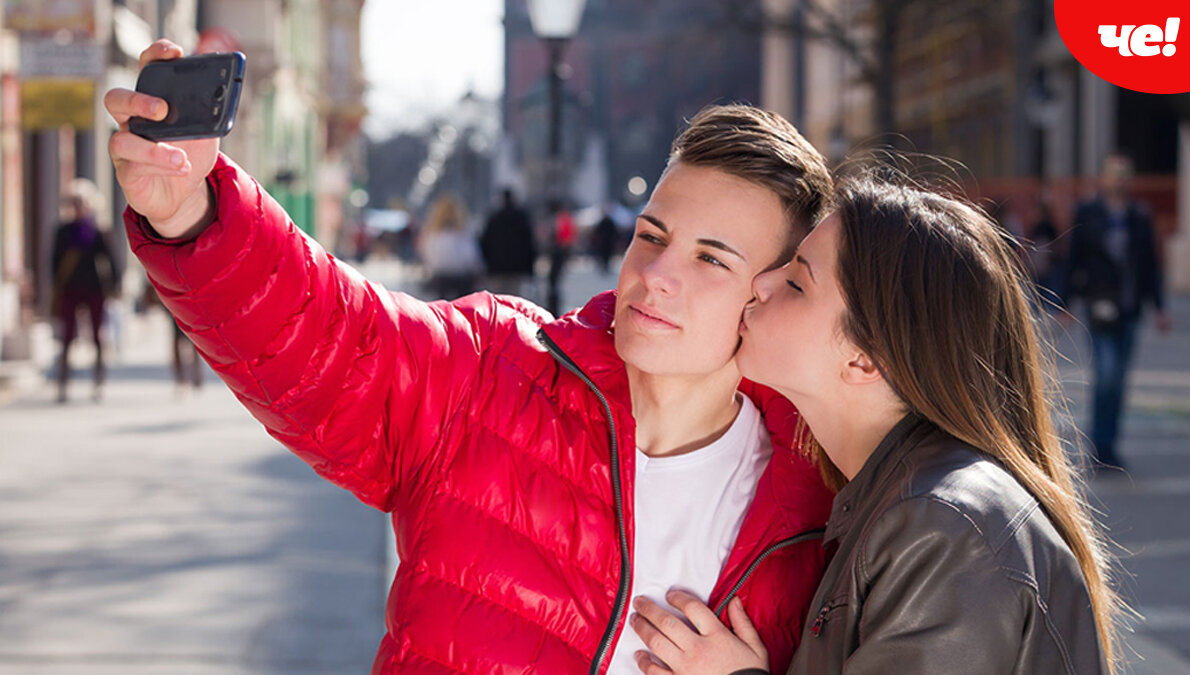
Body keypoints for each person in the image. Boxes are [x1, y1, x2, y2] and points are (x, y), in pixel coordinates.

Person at [105, 40, 836, 674]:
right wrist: (194, 211)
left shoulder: (822, 495)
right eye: (652, 235)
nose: (657, 273)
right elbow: (328, 330)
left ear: (767, 293)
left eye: (712, 259)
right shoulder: (491, 372)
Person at [629, 170, 1121, 675]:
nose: (762, 282)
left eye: (797, 282)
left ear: (865, 360)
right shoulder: (907, 499)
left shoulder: (944, 527)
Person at [1062, 152, 1170, 471]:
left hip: (1130, 308)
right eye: (1114, 174)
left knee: (1120, 379)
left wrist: (1160, 307)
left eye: (1125, 174)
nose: (1119, 180)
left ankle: (1110, 446)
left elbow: (1150, 264)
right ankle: (1098, 445)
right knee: (1106, 374)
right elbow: (1072, 261)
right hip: (1098, 305)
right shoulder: (1088, 213)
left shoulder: (1139, 216)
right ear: (1103, 178)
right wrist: (1065, 303)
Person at [51, 178, 120, 404]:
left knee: (97, 336)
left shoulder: (98, 231)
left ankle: (98, 381)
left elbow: (110, 260)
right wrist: (55, 288)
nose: (79, 206)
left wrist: (115, 285)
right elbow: (54, 262)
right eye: (75, 202)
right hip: (70, 288)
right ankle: (63, 383)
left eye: (82, 202)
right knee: (67, 337)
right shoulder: (63, 232)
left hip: (93, 288)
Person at [417, 193, 483, 300]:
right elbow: (471, 255)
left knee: (441, 306)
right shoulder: (462, 233)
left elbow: (427, 254)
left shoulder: (432, 234)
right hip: (461, 277)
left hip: (439, 276)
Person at [479, 188, 537, 297]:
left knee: (498, 300)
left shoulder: (494, 218)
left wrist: (487, 265)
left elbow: (485, 243)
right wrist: (530, 269)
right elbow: (529, 244)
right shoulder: (521, 218)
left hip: (496, 268)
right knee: (513, 299)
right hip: (517, 268)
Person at [590, 204, 620, 275]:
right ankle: (604, 266)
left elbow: (615, 232)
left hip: (608, 242)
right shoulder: (603, 222)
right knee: (604, 255)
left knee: (607, 255)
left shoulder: (610, 222)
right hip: (605, 242)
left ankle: (606, 266)